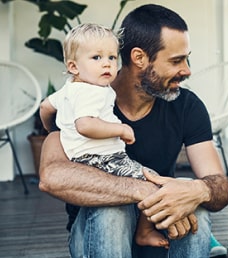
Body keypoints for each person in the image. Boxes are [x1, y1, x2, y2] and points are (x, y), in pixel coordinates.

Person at [38, 4, 228, 258]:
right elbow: (51, 176)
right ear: (139, 58)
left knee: (191, 200)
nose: (187, 70)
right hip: (97, 237)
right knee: (114, 209)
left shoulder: (187, 105)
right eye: (176, 60)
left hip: (157, 233)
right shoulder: (79, 98)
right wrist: (141, 189)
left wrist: (199, 190)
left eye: (187, 58)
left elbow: (219, 185)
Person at [39, 22, 170, 249]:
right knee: (154, 181)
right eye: (97, 58)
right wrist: (121, 129)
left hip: (83, 160)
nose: (107, 64)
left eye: (111, 57)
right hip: (103, 159)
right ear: (73, 66)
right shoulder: (93, 92)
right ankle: (144, 231)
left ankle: (143, 230)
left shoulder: (69, 88)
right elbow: (85, 125)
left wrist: (54, 131)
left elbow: (45, 108)